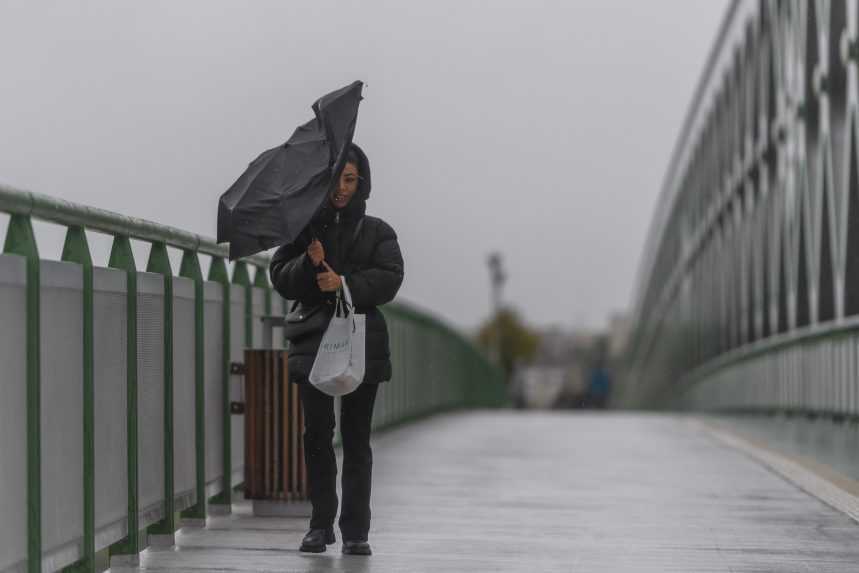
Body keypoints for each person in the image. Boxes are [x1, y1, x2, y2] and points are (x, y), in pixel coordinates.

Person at [269, 143, 404, 556]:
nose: (342, 189)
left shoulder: (378, 231)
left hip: (363, 339)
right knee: (316, 434)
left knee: (357, 437)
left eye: (350, 180)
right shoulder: (305, 228)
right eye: (336, 179)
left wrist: (342, 283)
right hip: (314, 340)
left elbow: (390, 278)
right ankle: (320, 524)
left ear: (361, 182)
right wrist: (310, 266)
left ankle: (356, 531)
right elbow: (280, 276)